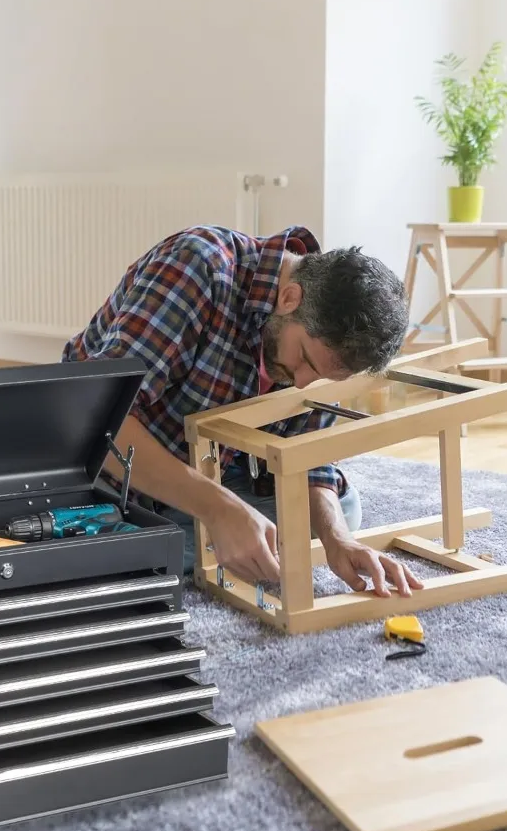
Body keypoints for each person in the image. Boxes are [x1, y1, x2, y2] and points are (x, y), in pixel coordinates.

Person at [62, 224, 424, 599]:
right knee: (96, 550)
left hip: (216, 470)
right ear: (288, 298)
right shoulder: (199, 266)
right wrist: (219, 509)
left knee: (342, 510)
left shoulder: (322, 340)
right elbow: (97, 420)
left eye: (320, 378)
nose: (301, 384)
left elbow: (309, 457)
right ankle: (176, 536)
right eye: (303, 360)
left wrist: (339, 540)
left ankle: (193, 537)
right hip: (109, 467)